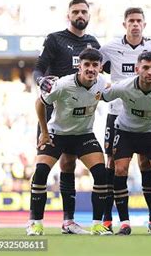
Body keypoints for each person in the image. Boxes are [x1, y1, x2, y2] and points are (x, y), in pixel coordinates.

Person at [99, 7, 151, 232]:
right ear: (125, 24)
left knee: (146, 163)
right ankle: (108, 218)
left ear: (144, 24)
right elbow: (95, 66)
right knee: (113, 164)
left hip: (147, 112)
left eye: (139, 21)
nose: (135, 24)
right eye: (131, 21)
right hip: (117, 113)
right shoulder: (110, 47)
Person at [32, 0, 101, 234]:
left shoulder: (92, 43)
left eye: (84, 11)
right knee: (45, 166)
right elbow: (39, 68)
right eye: (75, 11)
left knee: (69, 164)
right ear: (68, 15)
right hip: (53, 110)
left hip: (78, 116)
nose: (80, 15)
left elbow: (104, 70)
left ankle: (69, 221)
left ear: (89, 16)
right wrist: (42, 81)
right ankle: (36, 221)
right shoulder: (54, 39)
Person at [27, 48, 111, 236]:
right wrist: (44, 132)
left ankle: (97, 224)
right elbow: (39, 103)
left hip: (84, 135)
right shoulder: (63, 85)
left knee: (101, 173)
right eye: (86, 65)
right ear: (79, 67)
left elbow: (109, 91)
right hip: (58, 134)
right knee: (40, 172)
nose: (91, 69)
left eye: (94, 65)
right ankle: (35, 223)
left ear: (100, 67)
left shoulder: (102, 83)